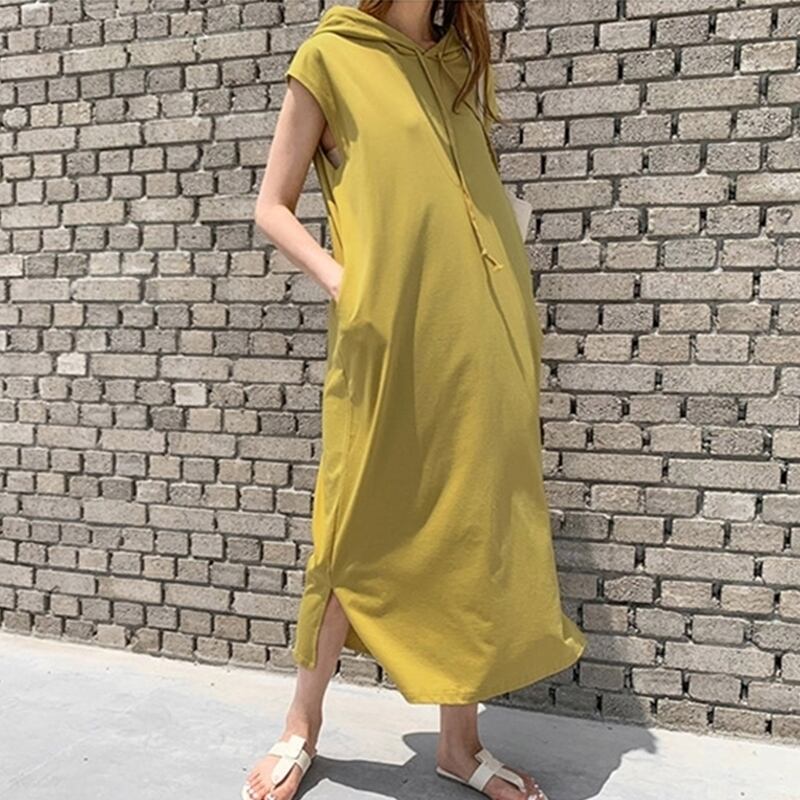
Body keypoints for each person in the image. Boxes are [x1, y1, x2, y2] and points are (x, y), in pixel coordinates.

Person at [244, 2, 587, 799]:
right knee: (354, 524)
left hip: (485, 333)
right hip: (388, 334)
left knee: (471, 522)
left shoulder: (458, 63)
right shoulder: (331, 55)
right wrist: (345, 283)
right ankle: (302, 725)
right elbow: (271, 205)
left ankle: (460, 745)